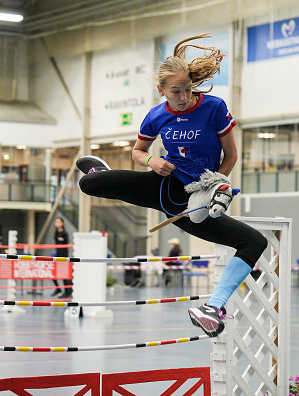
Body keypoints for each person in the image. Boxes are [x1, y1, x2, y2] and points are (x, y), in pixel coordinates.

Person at [76, 33, 268, 337]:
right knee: (89, 183)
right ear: (161, 90)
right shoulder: (156, 116)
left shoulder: (214, 108)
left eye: (188, 90)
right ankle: (102, 172)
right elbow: (138, 151)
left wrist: (216, 186)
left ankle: (213, 307)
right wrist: (151, 161)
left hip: (194, 204)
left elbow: (230, 156)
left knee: (255, 242)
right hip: (162, 185)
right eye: (176, 91)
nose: (183, 97)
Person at [52, 217, 73, 298]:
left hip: (64, 257)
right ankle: (58, 289)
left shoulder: (65, 233)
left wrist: (67, 257)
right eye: (56, 221)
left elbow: (68, 244)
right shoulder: (56, 233)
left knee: (65, 275)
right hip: (57, 256)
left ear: (62, 223)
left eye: (59, 222)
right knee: (53, 273)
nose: (57, 223)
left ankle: (68, 292)